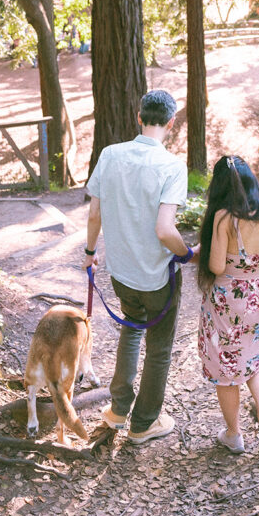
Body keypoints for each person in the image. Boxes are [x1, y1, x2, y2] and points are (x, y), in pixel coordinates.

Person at [82, 90, 198, 444]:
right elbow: (165, 230)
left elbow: (95, 212)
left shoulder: (110, 154)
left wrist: (90, 252)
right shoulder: (173, 166)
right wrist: (188, 254)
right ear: (172, 122)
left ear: (138, 116)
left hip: (121, 273)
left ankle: (118, 411)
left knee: (131, 331)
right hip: (157, 278)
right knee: (159, 348)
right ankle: (144, 423)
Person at [197, 155, 259, 454]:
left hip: (228, 301)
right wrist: (257, 275)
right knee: (254, 356)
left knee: (227, 367)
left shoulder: (225, 217)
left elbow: (216, 267)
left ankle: (234, 434)